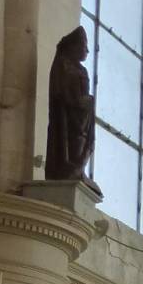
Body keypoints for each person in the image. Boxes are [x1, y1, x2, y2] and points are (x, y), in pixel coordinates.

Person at [44, 27, 97, 185]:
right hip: (70, 119)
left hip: (82, 119)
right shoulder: (63, 65)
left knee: (82, 143)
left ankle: (78, 169)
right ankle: (68, 168)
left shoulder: (81, 70)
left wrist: (87, 102)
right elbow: (62, 94)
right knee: (73, 143)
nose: (87, 51)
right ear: (74, 46)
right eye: (84, 46)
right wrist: (81, 101)